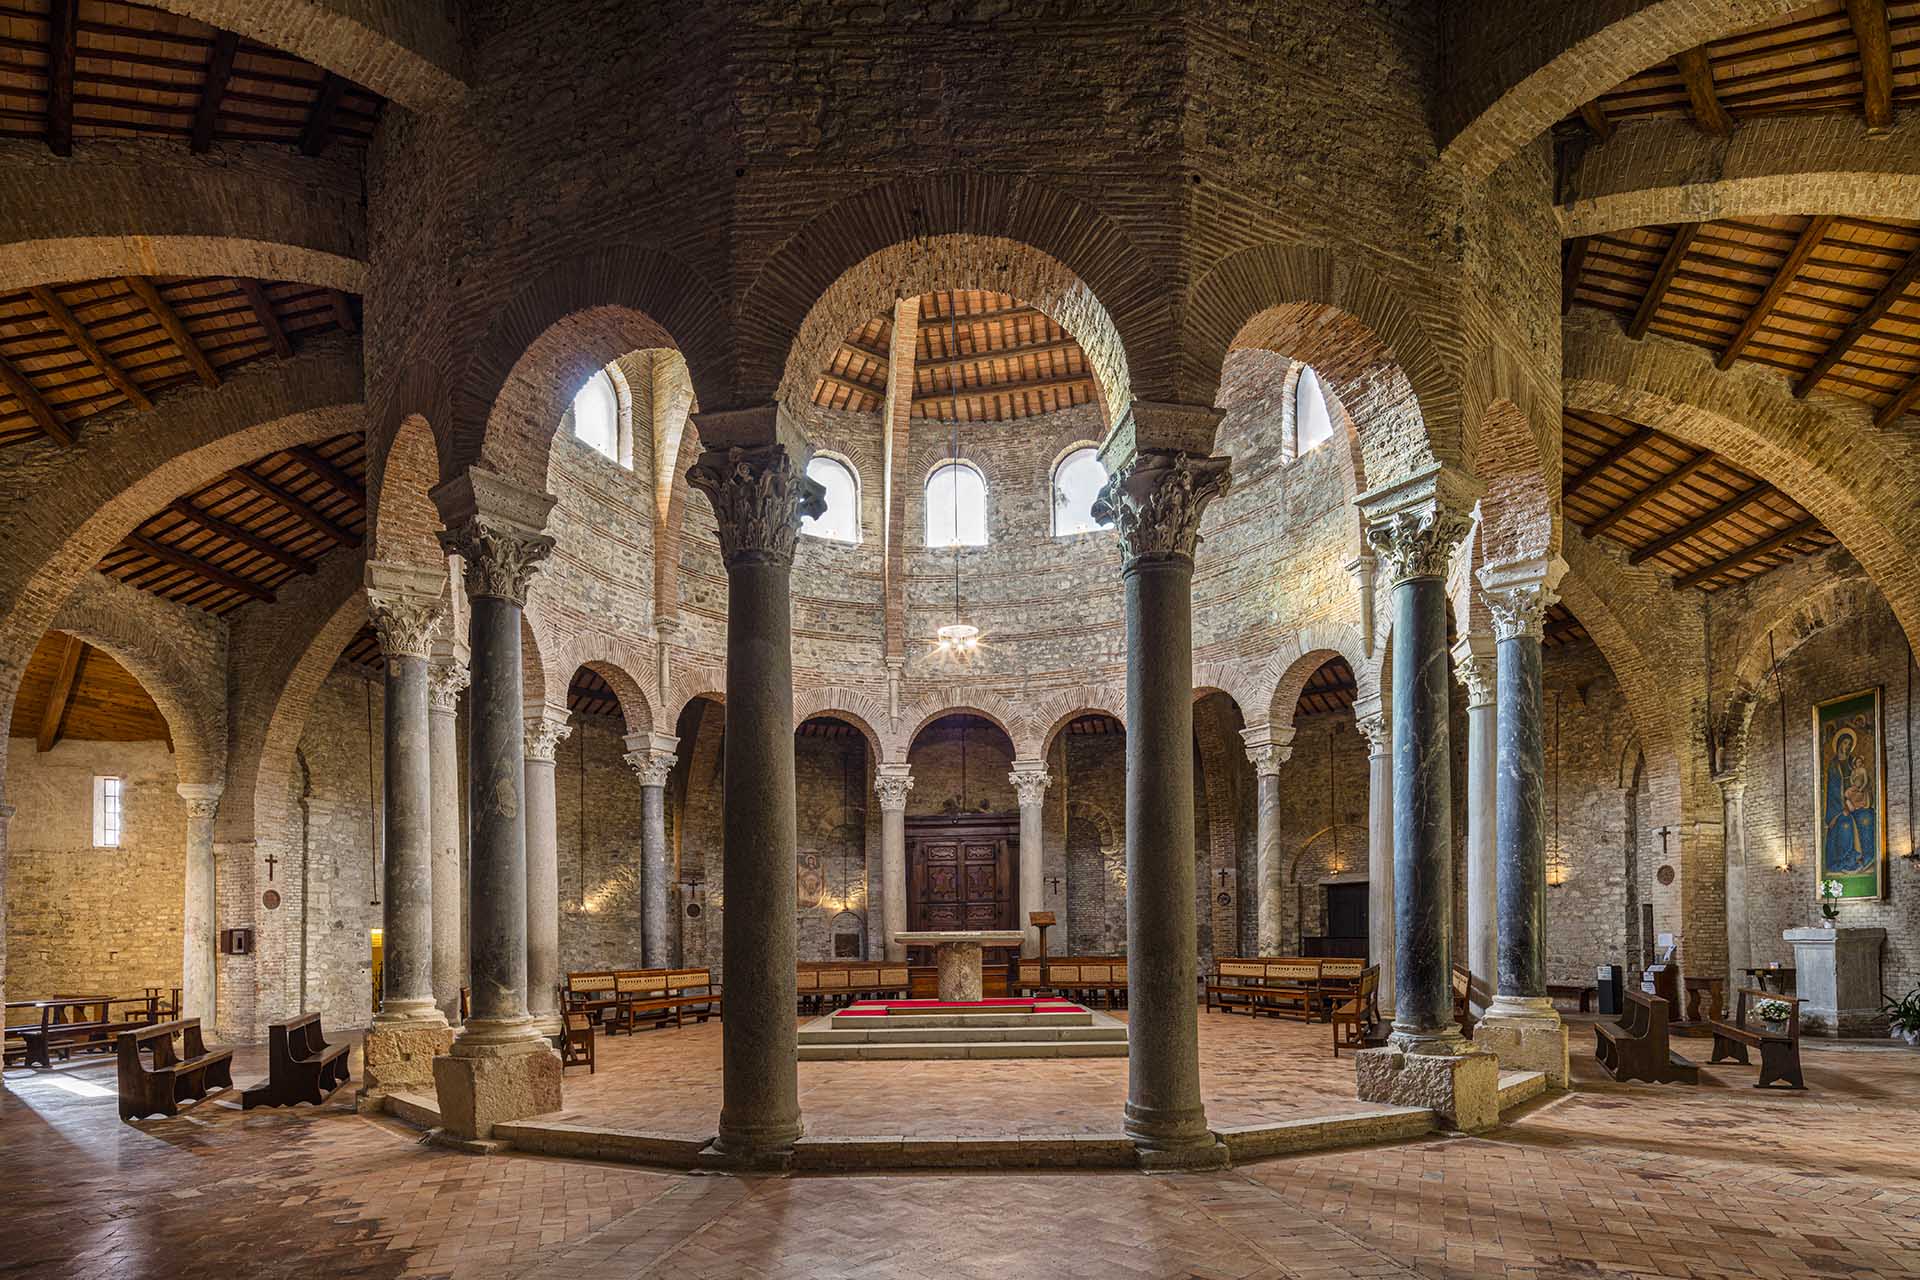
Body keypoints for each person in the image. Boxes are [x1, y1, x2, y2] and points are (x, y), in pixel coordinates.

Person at [1822, 726, 1876, 874]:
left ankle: (1867, 857)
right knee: (1844, 824)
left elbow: (1865, 782)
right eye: (1844, 743)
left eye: (1849, 744)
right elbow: (1832, 791)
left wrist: (1860, 796)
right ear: (1838, 743)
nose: (1846, 747)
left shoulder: (1854, 761)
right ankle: (1847, 860)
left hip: (1856, 799)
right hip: (1839, 807)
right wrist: (1843, 807)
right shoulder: (1833, 765)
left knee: (1868, 816)